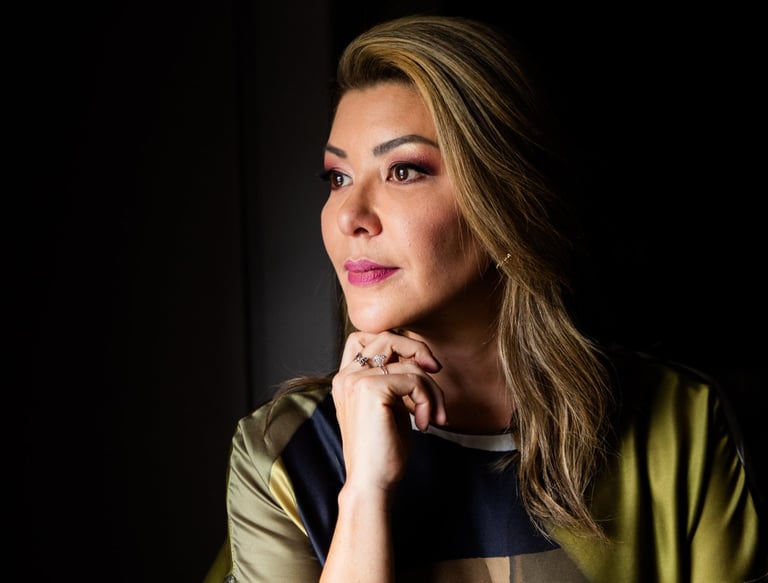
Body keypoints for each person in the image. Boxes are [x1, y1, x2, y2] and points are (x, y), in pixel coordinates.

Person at [204, 14, 766, 583]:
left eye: (403, 170)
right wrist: (364, 493)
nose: (349, 216)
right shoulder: (283, 454)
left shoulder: (680, 420)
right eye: (338, 177)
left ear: (504, 195)